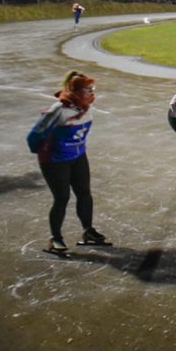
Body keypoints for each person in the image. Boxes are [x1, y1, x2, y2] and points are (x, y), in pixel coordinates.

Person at [26, 71, 109, 255]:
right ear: (77, 92)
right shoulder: (59, 110)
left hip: (78, 156)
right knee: (62, 197)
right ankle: (55, 239)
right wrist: (46, 151)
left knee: (84, 193)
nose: (92, 92)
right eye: (88, 89)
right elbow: (34, 136)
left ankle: (88, 231)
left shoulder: (86, 107)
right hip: (55, 160)